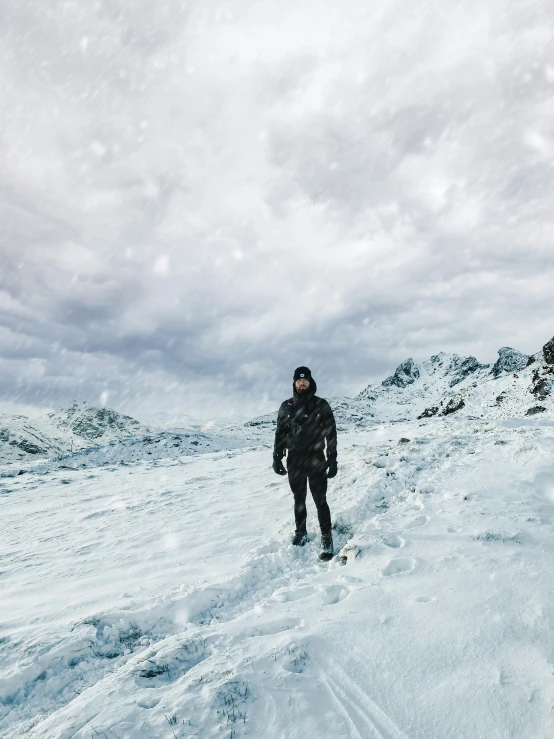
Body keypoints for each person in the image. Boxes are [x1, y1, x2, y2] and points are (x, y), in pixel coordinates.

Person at [272, 366, 338, 557]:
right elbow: (280, 433)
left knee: (320, 500)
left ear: (310, 382)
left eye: (305, 380)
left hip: (316, 458)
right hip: (295, 460)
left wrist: (333, 459)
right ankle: (300, 532)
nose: (302, 383)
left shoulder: (321, 404)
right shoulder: (287, 406)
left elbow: (331, 433)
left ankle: (326, 537)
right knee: (298, 499)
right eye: (299, 380)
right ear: (294, 382)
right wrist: (277, 457)